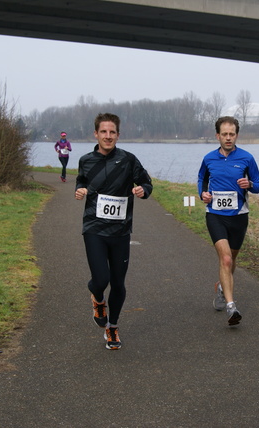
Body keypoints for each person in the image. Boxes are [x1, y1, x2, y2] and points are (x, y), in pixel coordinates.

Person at [75, 113, 153, 350]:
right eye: (104, 132)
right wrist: (80, 190)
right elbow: (81, 181)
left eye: (112, 132)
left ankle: (112, 328)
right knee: (101, 279)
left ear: (118, 135)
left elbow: (147, 183)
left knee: (118, 283)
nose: (108, 136)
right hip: (94, 228)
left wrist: (143, 191)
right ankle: (98, 298)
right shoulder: (86, 160)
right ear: (96, 134)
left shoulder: (129, 160)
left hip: (120, 231)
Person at [198, 116, 259, 326]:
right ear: (217, 135)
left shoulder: (247, 158)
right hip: (215, 215)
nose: (228, 138)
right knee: (225, 259)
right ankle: (231, 306)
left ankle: (220, 287)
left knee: (232, 260)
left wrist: (249, 183)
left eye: (231, 134)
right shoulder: (208, 159)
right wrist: (203, 195)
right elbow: (201, 180)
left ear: (236, 135)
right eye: (224, 134)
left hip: (239, 217)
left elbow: (258, 185)